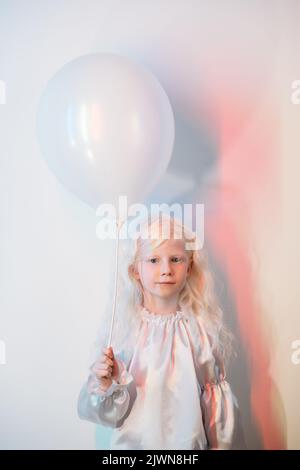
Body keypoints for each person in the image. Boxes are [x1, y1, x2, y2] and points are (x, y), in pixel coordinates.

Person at [77, 213, 239, 450]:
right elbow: (109, 415)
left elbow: (216, 411)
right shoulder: (126, 331)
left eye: (175, 259)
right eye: (153, 260)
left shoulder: (199, 332)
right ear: (135, 270)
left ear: (190, 266)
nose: (166, 270)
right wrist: (104, 384)